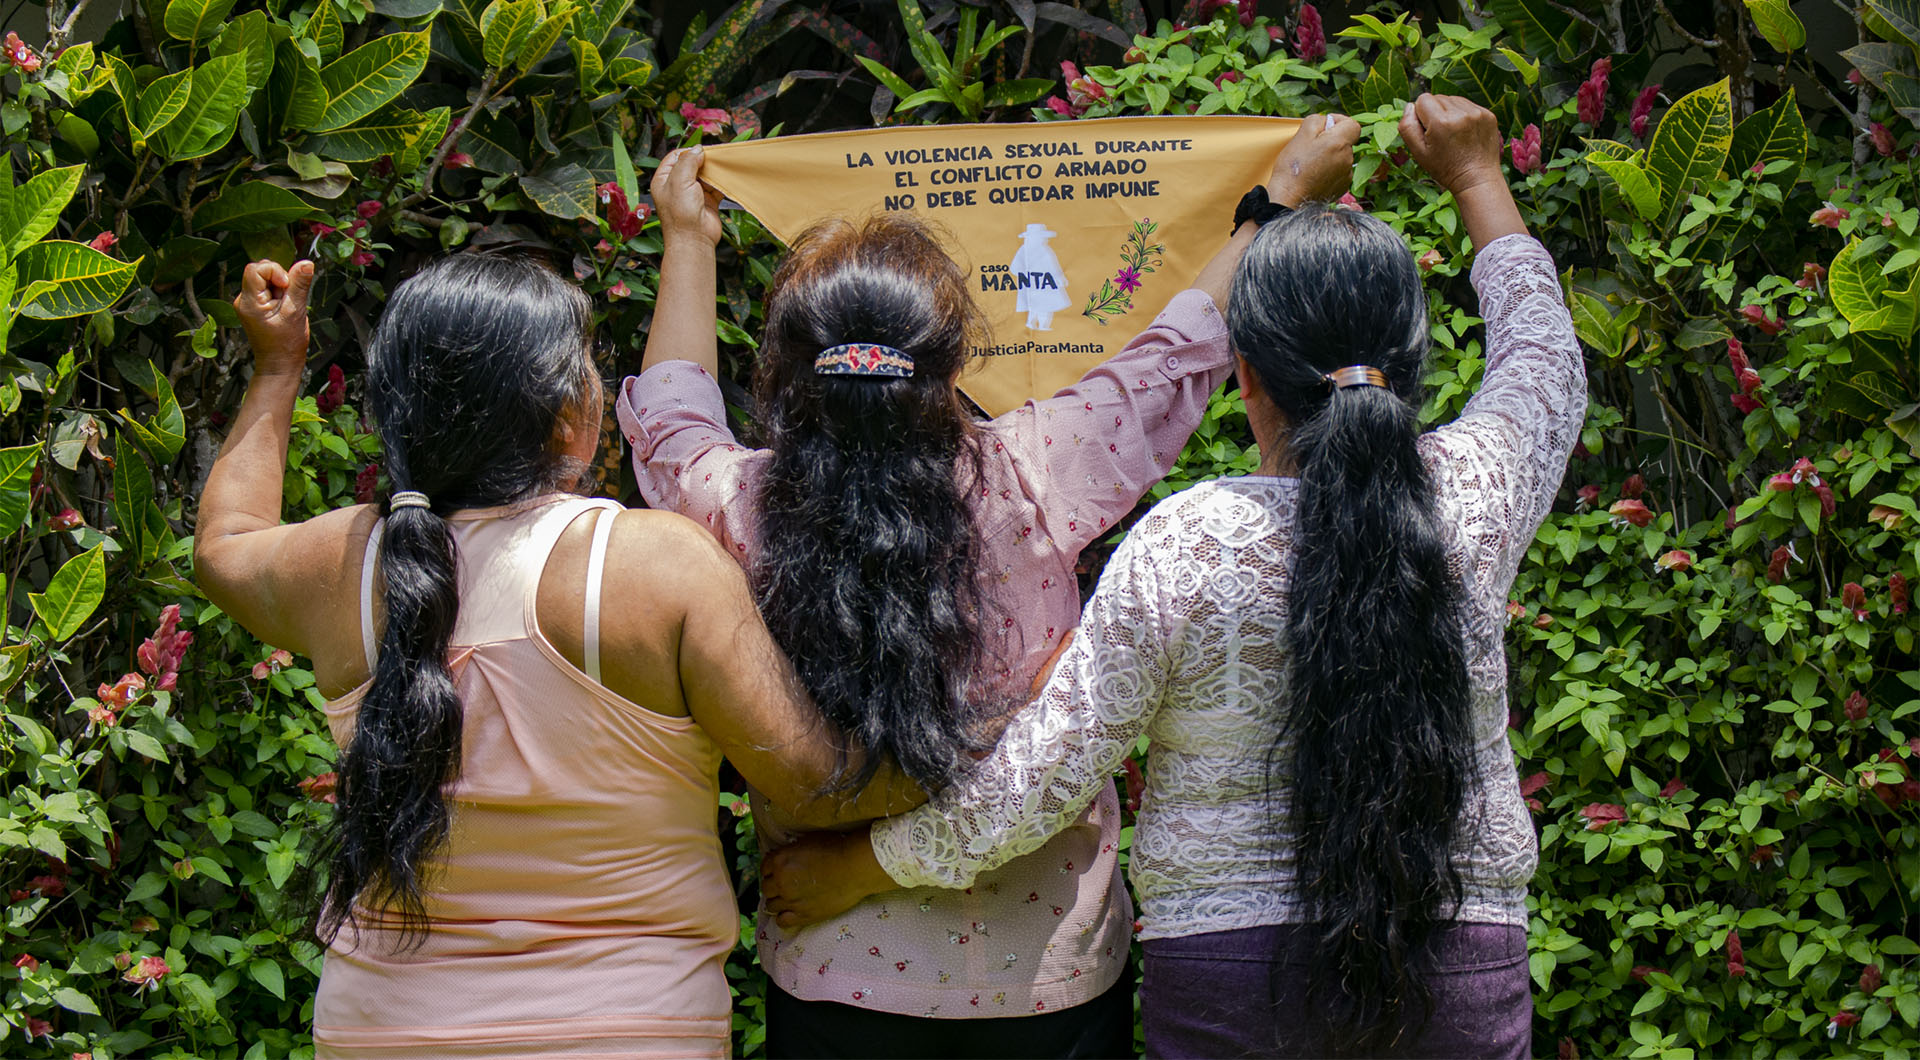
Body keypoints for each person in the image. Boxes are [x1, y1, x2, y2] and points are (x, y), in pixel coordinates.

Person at [761, 94, 1586, 1059]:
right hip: (1462, 967)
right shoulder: (1481, 492)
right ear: (1412, 361)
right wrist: (1478, 176)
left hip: (1232, 992)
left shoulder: (1189, 544)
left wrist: (864, 866)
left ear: (1246, 375)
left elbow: (1043, 779)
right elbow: (1546, 357)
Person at [617, 116, 1362, 1058]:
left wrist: (689, 239)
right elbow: (1181, 350)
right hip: (1048, 984)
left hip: (835, 972)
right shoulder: (1037, 469)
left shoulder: (734, 505)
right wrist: (1281, 194)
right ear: (954, 362)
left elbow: (673, 411)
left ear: (791, 373)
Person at [194, 253, 919, 1058]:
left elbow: (224, 544)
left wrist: (278, 365)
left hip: (378, 1032)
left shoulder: (339, 566)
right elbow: (822, 785)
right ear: (570, 413)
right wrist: (1003, 755)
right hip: (624, 1032)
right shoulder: (653, 567)